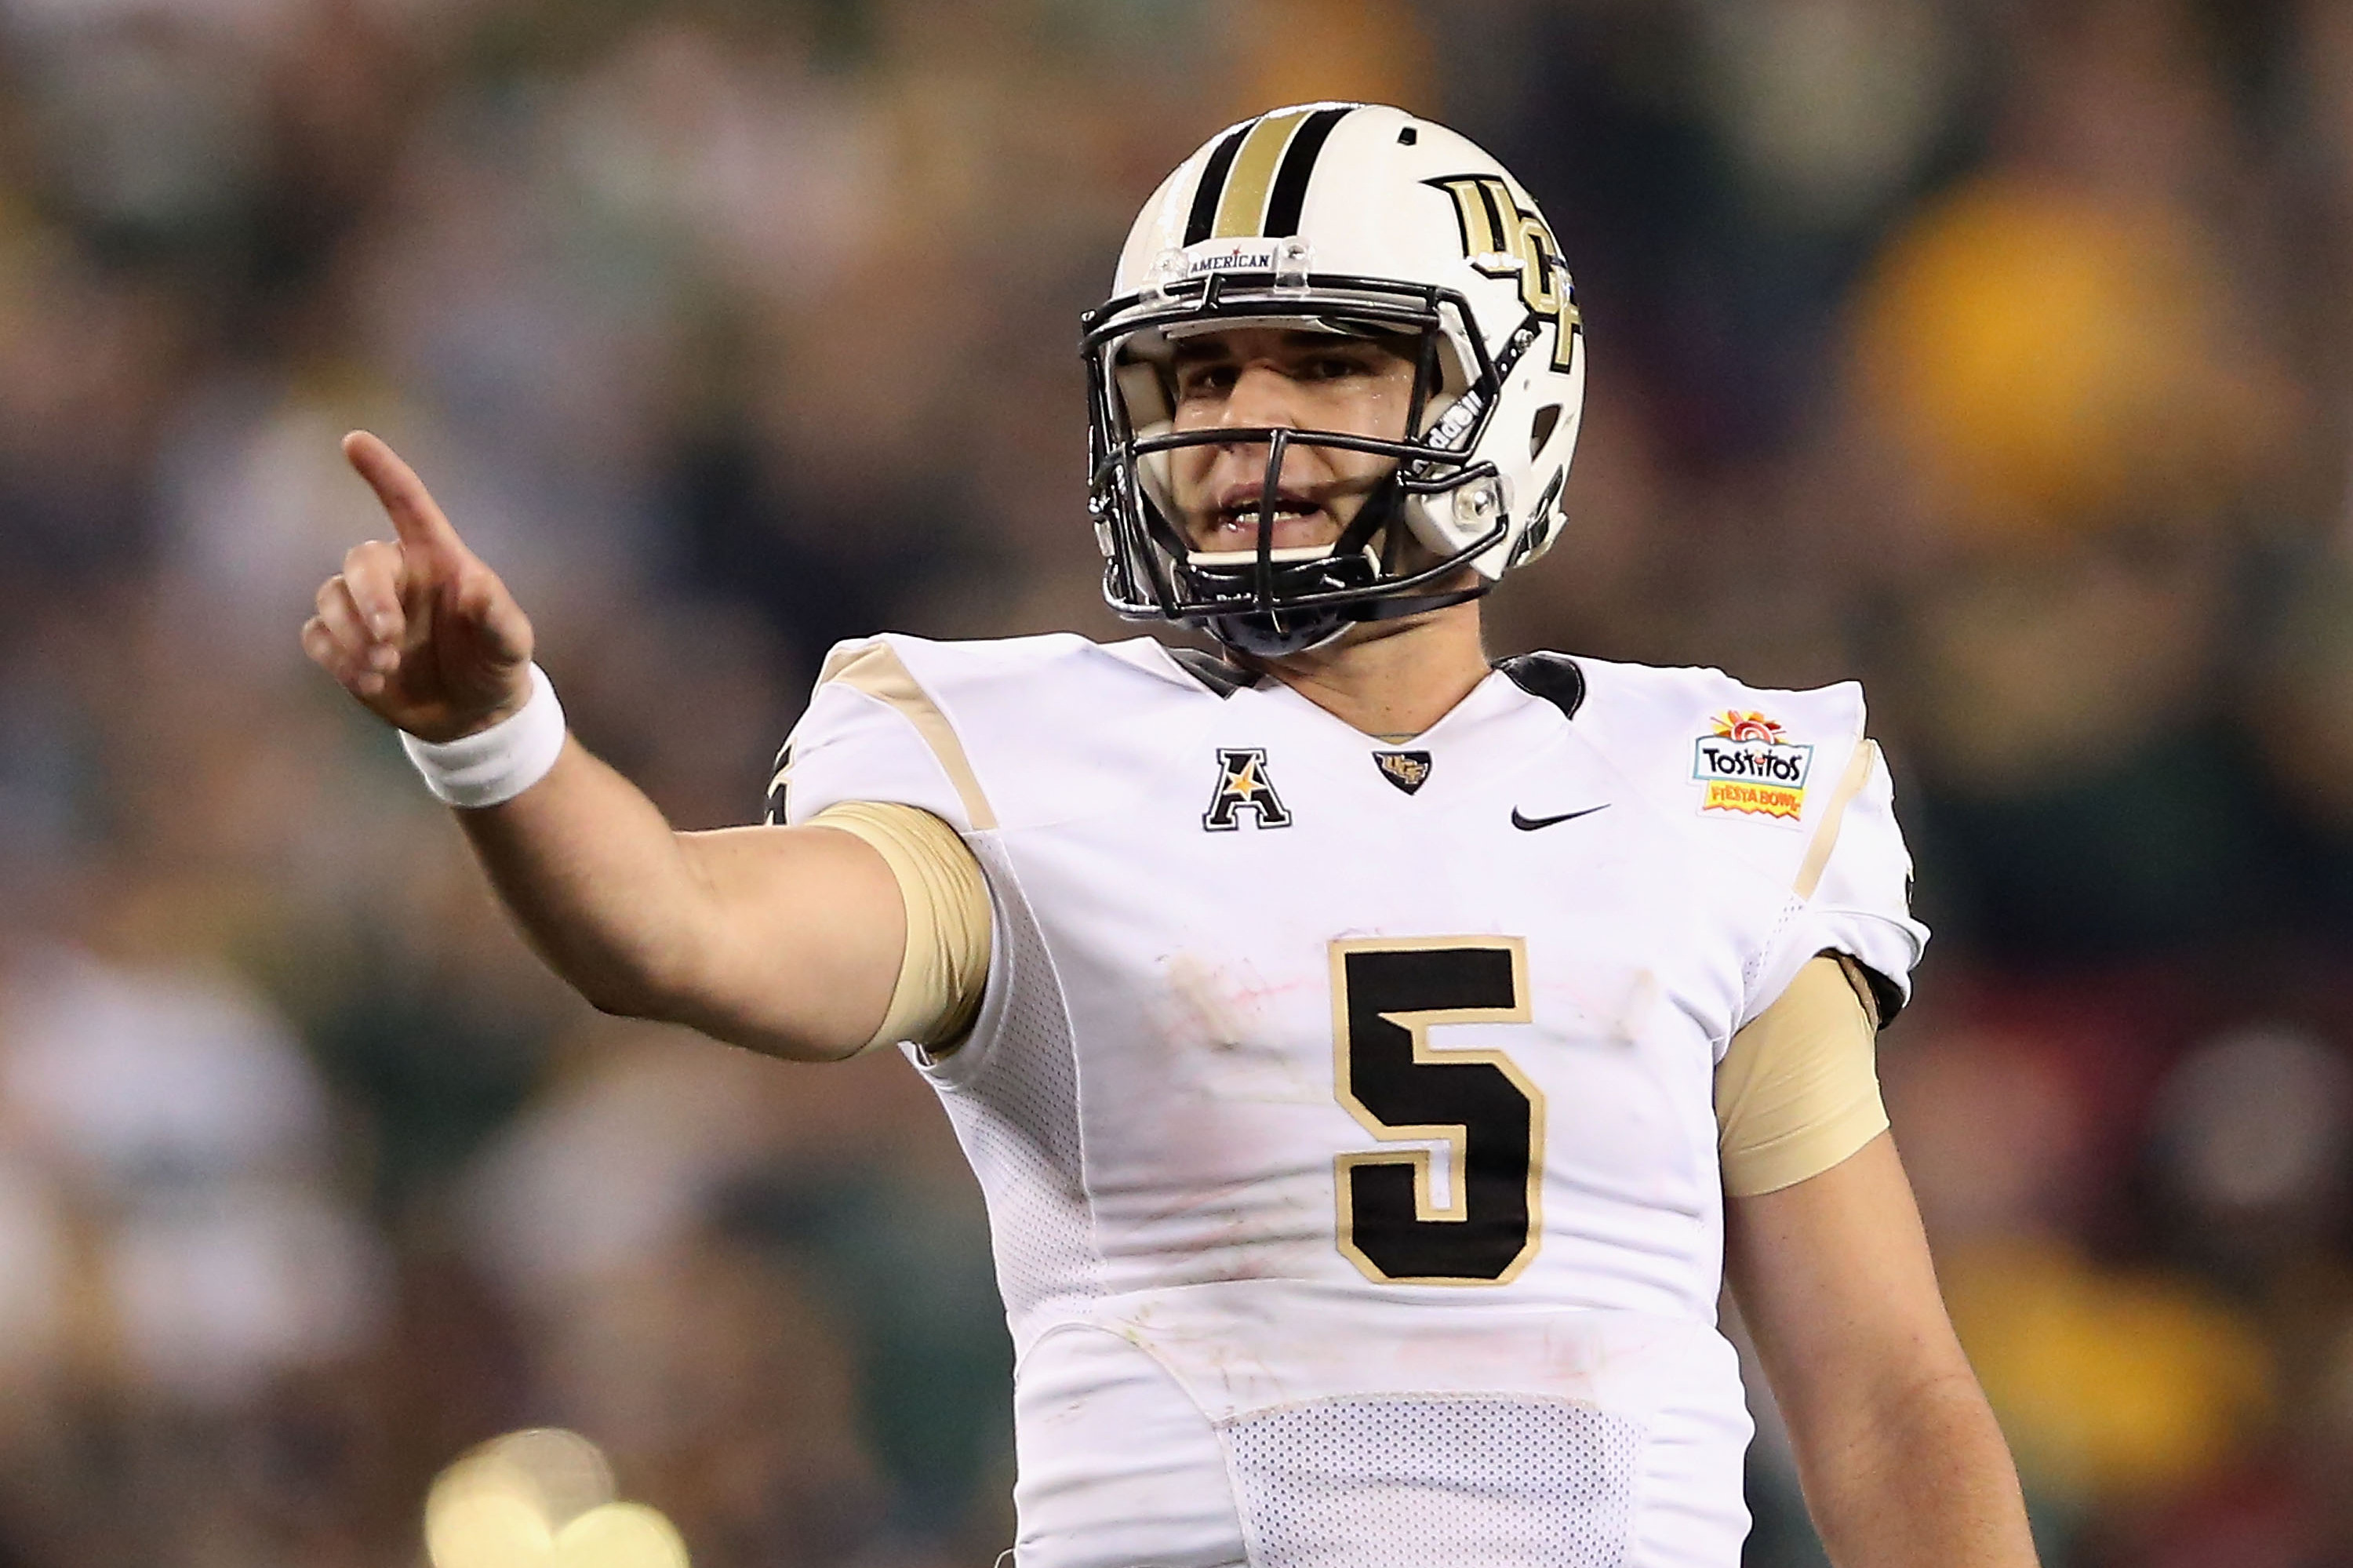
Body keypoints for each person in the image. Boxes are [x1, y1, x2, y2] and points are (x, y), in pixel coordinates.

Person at [303, 103, 2038, 1568]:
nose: (1238, 424)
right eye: (1195, 373)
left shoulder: (1717, 782)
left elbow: (1886, 1397)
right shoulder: (1030, 758)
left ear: (1506, 395)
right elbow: (678, 933)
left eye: (1330, 363)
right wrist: (497, 738)